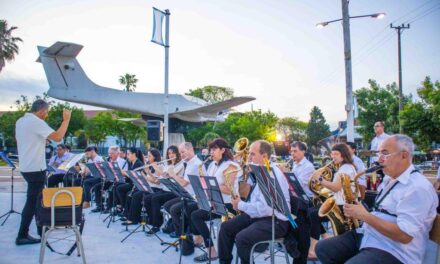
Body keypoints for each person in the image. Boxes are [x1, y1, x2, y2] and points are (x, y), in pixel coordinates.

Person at [316, 135, 438, 264]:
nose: (379, 159)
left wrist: (364, 215)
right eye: (379, 153)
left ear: (404, 155)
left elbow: (404, 235)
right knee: (322, 248)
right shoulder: (389, 180)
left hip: (395, 251)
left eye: (385, 154)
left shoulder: (417, 188)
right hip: (370, 236)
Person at [217, 140, 291, 264]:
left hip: (275, 221)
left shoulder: (271, 175)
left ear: (265, 156)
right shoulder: (262, 171)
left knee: (242, 238)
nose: (248, 157)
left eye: (252, 154)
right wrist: (242, 202)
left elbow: (265, 209)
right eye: (249, 154)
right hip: (262, 216)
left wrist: (240, 205)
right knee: (225, 227)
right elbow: (257, 202)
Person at [15, 99, 71, 245]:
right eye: (46, 113)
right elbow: (58, 137)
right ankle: (22, 235)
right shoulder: (36, 122)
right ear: (41, 111)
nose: (46, 116)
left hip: (26, 167)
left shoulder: (21, 121)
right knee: (32, 202)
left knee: (37, 201)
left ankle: (41, 230)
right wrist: (66, 120)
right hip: (35, 169)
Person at [191, 138, 240, 262]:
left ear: (223, 150)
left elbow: (228, 189)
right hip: (215, 202)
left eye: (214, 149)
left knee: (196, 216)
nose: (211, 152)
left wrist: (208, 185)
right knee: (193, 212)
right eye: (210, 150)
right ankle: (205, 245)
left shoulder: (231, 166)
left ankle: (211, 251)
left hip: (228, 204)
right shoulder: (212, 164)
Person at [308, 143, 357, 259]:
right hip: (340, 201)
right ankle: (324, 237)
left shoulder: (345, 169)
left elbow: (335, 187)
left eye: (336, 154)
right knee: (311, 212)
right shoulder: (345, 167)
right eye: (332, 153)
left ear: (343, 155)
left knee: (313, 215)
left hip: (343, 206)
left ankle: (313, 248)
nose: (333, 156)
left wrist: (320, 179)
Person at [163, 142, 202, 250]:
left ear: (191, 149)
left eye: (183, 152)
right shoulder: (189, 163)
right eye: (180, 152)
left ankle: (185, 238)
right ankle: (182, 233)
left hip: (194, 198)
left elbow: (184, 183)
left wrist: (173, 175)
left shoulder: (195, 164)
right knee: (168, 206)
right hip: (186, 195)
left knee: (174, 209)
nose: (181, 154)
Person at [147, 145, 183, 234]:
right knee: (148, 198)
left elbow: (168, 175)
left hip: (174, 192)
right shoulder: (169, 165)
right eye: (169, 153)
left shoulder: (180, 164)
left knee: (155, 199)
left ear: (177, 154)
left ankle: (157, 225)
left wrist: (156, 168)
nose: (171, 155)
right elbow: (160, 177)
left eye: (173, 153)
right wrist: (148, 172)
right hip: (165, 189)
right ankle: (152, 221)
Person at [122, 148, 163, 225]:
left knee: (136, 196)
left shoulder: (159, 166)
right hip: (148, 187)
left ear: (155, 157)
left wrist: (146, 174)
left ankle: (133, 219)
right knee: (132, 193)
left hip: (155, 189)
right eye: (147, 156)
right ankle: (129, 216)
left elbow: (156, 182)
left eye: (150, 156)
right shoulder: (149, 165)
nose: (148, 158)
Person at [91, 146, 128, 213]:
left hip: (119, 181)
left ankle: (109, 207)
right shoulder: (108, 160)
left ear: (117, 153)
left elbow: (124, 174)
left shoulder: (123, 161)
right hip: (110, 180)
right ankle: (99, 205)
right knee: (97, 186)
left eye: (112, 153)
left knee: (112, 188)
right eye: (109, 153)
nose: (110, 155)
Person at [116, 147, 144, 217]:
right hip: (131, 183)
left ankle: (124, 208)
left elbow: (135, 176)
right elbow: (129, 175)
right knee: (117, 185)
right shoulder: (130, 163)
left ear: (134, 154)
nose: (127, 156)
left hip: (136, 185)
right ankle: (122, 208)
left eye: (128, 154)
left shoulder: (138, 163)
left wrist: (124, 173)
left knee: (120, 188)